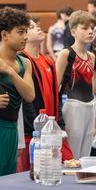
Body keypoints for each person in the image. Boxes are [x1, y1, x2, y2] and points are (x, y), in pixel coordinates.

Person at [0, 7, 35, 178]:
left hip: (13, 130)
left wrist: (10, 71)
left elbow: (29, 95)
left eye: (26, 31)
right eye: (21, 32)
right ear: (5, 35)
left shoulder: (25, 63)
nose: (26, 36)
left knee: (9, 179)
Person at [19, 18, 74, 171]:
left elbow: (57, 96)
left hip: (52, 130)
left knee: (67, 168)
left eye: (38, 26)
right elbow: (25, 100)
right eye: (32, 27)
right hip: (34, 134)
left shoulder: (49, 61)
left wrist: (61, 126)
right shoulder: (22, 61)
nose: (38, 28)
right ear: (23, 35)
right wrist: (38, 129)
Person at [56, 10, 96, 159]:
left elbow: (91, 90)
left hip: (91, 107)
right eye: (85, 28)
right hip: (74, 107)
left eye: (92, 28)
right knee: (72, 156)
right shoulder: (66, 55)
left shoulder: (92, 57)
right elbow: (54, 89)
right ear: (73, 31)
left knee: (85, 157)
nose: (90, 31)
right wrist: (58, 122)